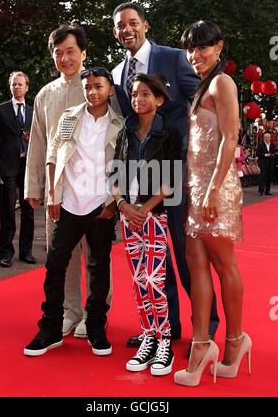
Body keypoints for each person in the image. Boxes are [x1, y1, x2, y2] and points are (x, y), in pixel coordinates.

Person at [112, 1, 219, 348]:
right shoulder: (116, 74)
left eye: (132, 23)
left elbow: (201, 102)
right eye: (119, 26)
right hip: (141, 178)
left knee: (185, 250)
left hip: (175, 170)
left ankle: (208, 327)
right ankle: (164, 327)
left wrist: (196, 156)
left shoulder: (175, 58)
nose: (126, 29)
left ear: (145, 24)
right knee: (153, 257)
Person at [24, 67, 123, 357]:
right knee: (56, 265)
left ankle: (95, 326)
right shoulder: (70, 117)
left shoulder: (119, 124)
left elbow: (123, 164)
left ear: (110, 90)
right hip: (67, 204)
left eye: (98, 86)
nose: (92, 91)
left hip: (101, 207)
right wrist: (53, 193)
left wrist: (115, 200)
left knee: (98, 267)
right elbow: (54, 154)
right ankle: (51, 327)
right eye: (88, 86)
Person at [174, 20, 252, 387]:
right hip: (197, 186)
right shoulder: (203, 84)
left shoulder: (223, 82)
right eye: (190, 49)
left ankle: (236, 341)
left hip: (215, 188)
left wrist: (213, 189)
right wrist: (199, 188)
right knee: (196, 264)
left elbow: (230, 136)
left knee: (223, 263)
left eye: (202, 47)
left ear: (219, 47)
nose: (195, 55)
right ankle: (202, 345)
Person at [24, 25, 92, 339]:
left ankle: (93, 314)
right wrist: (33, 187)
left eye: (70, 51)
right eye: (58, 53)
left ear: (83, 53)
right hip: (58, 191)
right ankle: (70, 311)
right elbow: (38, 143)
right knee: (59, 256)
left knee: (94, 256)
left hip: (92, 189)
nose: (65, 58)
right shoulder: (44, 95)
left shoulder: (97, 88)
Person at [111, 73, 181, 375]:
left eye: (145, 95)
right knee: (140, 281)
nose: (139, 100)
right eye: (135, 95)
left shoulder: (170, 133)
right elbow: (114, 176)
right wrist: (125, 206)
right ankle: (148, 337)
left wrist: (146, 209)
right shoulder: (125, 132)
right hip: (129, 216)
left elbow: (173, 179)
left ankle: (164, 338)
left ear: (159, 99)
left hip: (154, 216)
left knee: (154, 279)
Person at [0, 71, 35, 268]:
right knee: (7, 212)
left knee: (28, 212)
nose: (17, 87)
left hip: (28, 168)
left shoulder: (33, 111)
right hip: (6, 168)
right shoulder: (0, 109)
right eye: (14, 84)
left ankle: (26, 252)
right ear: (10, 87)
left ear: (26, 87)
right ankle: (5, 253)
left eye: (20, 84)